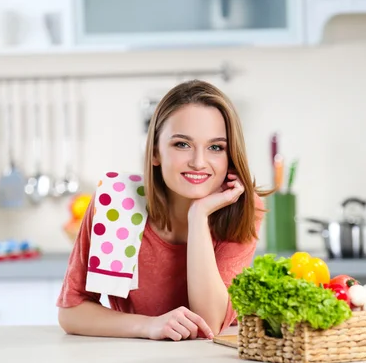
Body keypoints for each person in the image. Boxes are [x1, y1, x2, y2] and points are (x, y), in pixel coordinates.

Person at [56, 79, 271, 341]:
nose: (198, 162)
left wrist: (199, 216)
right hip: (132, 361)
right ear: (155, 152)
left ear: (230, 156)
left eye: (216, 147)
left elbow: (209, 323)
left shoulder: (244, 210)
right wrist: (149, 326)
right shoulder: (114, 202)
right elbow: (72, 311)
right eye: (182, 144)